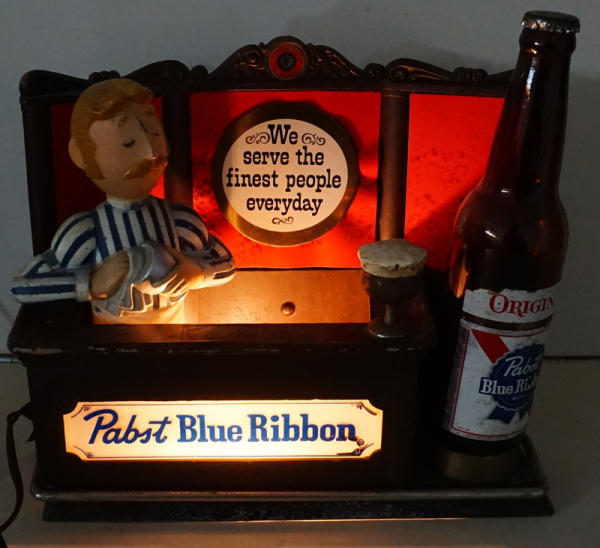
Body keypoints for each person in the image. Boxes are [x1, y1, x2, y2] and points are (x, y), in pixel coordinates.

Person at [11, 78, 235, 323]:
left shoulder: (182, 221)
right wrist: (91, 283)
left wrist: (197, 273)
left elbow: (226, 263)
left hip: (177, 330)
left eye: (155, 133)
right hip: (109, 336)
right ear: (81, 155)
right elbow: (24, 286)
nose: (151, 152)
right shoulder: (85, 232)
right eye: (128, 143)